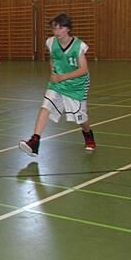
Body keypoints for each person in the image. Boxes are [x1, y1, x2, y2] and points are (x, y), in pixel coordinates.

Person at [19, 14, 96, 156]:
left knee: (81, 118)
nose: (57, 31)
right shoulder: (51, 42)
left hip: (77, 85)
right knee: (45, 106)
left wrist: (63, 76)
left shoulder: (78, 46)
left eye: (60, 28)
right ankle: (35, 141)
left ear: (67, 29)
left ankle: (88, 134)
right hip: (58, 83)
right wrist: (53, 73)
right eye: (55, 28)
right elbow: (53, 59)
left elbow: (84, 70)